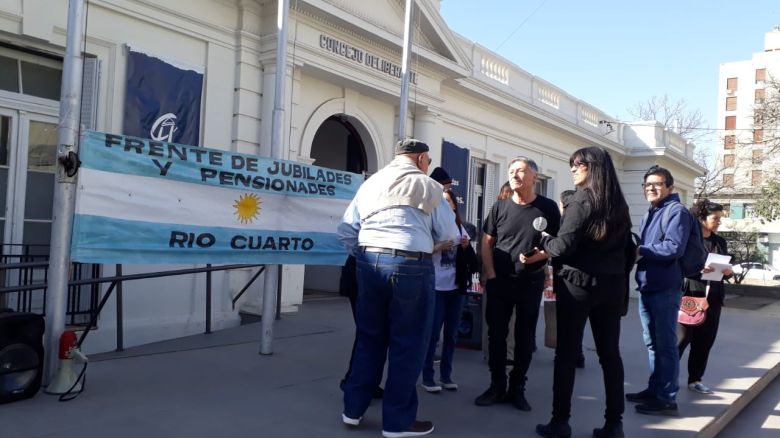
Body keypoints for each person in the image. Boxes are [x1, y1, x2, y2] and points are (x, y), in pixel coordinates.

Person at [337, 138, 459, 438]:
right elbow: (449, 232)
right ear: (419, 159)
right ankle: (397, 422)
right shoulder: (429, 186)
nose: (428, 165)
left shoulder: (371, 183)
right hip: (410, 266)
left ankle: (352, 410)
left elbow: (346, 230)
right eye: (428, 160)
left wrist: (367, 255)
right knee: (408, 344)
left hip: (368, 261)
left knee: (369, 338)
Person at [535, 147, 631, 438]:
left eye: (577, 164)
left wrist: (543, 240)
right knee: (610, 356)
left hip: (577, 285)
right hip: (611, 286)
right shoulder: (618, 204)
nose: (573, 169)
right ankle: (614, 424)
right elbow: (628, 250)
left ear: (593, 167)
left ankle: (560, 422)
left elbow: (563, 247)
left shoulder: (581, 200)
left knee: (566, 353)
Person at [475, 157, 561, 412]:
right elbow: (487, 242)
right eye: (512, 171)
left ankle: (517, 388)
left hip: (530, 282)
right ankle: (496, 385)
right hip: (499, 282)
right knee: (496, 336)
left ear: (535, 177)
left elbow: (557, 244)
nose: (515, 175)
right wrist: (490, 274)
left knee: (524, 338)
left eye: (521, 171)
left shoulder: (547, 208)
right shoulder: (500, 207)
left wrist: (540, 256)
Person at [626, 165, 690, 417]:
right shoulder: (651, 213)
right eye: (647, 185)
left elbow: (674, 248)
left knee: (665, 345)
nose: (651, 188)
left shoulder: (676, 211)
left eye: (657, 184)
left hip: (665, 287)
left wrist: (641, 251)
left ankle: (666, 398)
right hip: (648, 284)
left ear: (669, 187)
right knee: (653, 343)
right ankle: (655, 389)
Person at [421, 189, 479, 393]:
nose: (445, 205)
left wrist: (466, 247)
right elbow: (421, 252)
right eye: (442, 202)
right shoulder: (431, 225)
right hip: (436, 288)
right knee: (433, 334)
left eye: (449, 202)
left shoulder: (460, 228)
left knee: (452, 335)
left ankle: (446, 376)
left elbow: (474, 265)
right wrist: (438, 247)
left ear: (455, 206)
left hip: (456, 290)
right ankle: (428, 376)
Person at [677, 199, 732, 395]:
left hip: (714, 297)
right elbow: (681, 266)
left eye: (720, 218)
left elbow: (727, 266)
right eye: (714, 218)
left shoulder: (720, 242)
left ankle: (695, 379)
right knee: (681, 339)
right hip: (692, 294)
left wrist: (727, 271)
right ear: (701, 218)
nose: (718, 222)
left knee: (705, 340)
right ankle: (667, 378)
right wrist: (699, 268)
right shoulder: (690, 240)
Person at [339, 254, 384, 400]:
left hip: (370, 274)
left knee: (374, 335)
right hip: (362, 274)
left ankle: (367, 382)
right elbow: (349, 238)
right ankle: (354, 382)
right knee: (367, 335)